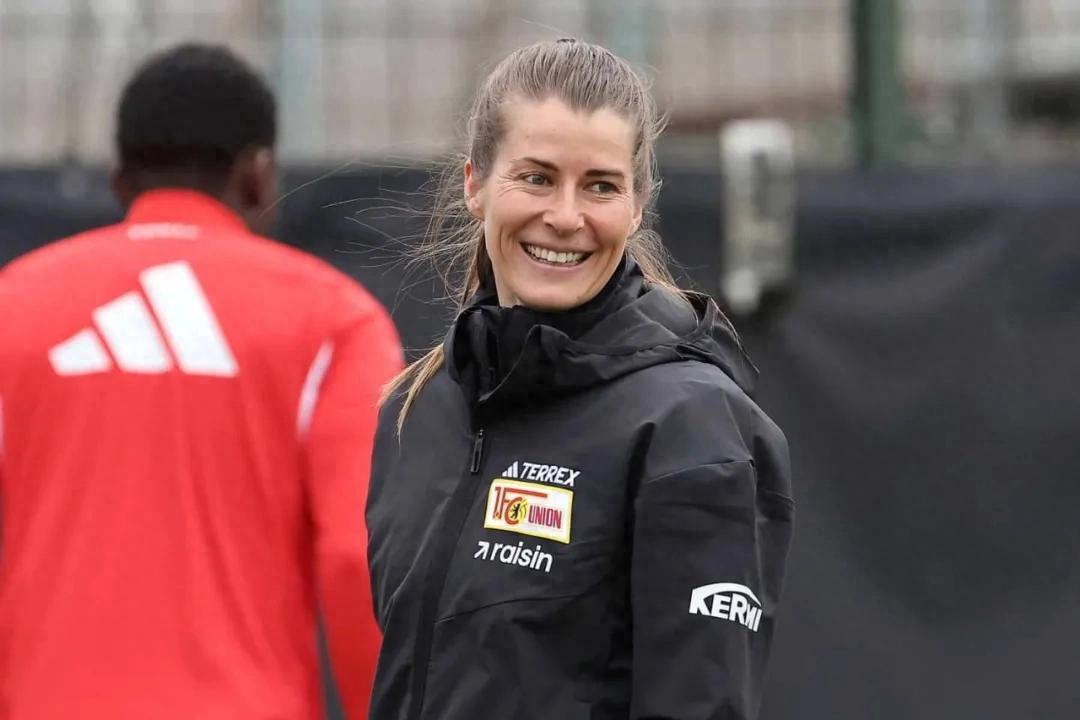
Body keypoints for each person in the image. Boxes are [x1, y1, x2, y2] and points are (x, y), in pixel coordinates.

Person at [366, 38, 794, 720]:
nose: (566, 217)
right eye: (537, 178)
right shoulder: (418, 408)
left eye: (600, 186)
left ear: (636, 205)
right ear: (475, 184)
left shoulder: (691, 425)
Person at [0, 44, 401, 720]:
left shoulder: (13, 304)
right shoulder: (333, 318)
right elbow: (359, 554)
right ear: (259, 176)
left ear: (120, 180)